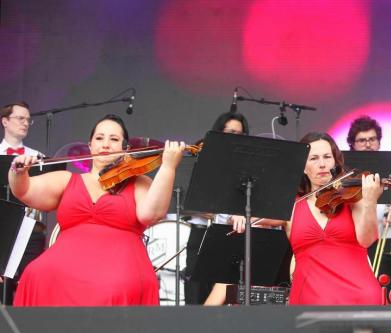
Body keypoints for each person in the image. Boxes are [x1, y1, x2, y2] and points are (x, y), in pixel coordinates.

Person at [9, 114, 185, 306]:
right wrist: (18, 171)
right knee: (35, 273)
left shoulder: (138, 182)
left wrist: (168, 166)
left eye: (114, 139)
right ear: (90, 145)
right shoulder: (68, 179)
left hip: (119, 269)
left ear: (125, 149)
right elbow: (24, 190)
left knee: (114, 287)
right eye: (99, 138)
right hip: (63, 267)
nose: (105, 145)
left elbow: (151, 214)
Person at [287, 132, 383, 305]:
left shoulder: (352, 198)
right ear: (302, 165)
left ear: (335, 161)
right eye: (314, 158)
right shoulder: (291, 205)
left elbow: (367, 239)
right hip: (310, 302)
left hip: (359, 296)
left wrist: (370, 200)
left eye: (327, 157)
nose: (322, 164)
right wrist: (240, 215)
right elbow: (254, 215)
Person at [184, 111, 250, 304]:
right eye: (230, 132)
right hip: (202, 234)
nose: (234, 137)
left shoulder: (246, 164)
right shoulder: (203, 157)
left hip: (230, 235)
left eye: (239, 134)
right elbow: (186, 202)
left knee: (225, 295)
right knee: (196, 294)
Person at [347, 115, 391, 291]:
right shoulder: (344, 173)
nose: (368, 144)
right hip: (350, 244)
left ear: (379, 142)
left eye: (372, 139)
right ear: (352, 145)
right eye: (362, 140)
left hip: (382, 244)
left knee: (383, 296)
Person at [0, 101, 44, 304]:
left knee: (28, 281)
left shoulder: (37, 157)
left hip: (28, 229)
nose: (25, 123)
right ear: (5, 121)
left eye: (28, 119)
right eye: (20, 118)